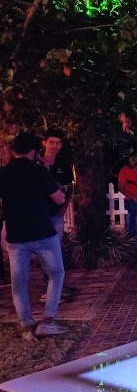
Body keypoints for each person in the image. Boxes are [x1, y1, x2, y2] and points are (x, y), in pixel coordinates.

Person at [0, 132, 68, 340]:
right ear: (34, 150)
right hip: (42, 233)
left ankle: (27, 328)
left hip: (16, 235)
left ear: (14, 150)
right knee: (56, 273)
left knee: (19, 283)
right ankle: (48, 321)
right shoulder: (39, 171)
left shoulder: (4, 173)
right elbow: (59, 198)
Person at [39, 129, 78, 300]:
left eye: (58, 143)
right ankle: (48, 287)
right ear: (44, 143)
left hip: (56, 214)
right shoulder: (36, 163)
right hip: (39, 214)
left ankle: (57, 284)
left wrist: (64, 207)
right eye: (52, 142)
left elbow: (70, 187)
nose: (55, 146)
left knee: (56, 249)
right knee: (44, 250)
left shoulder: (63, 164)